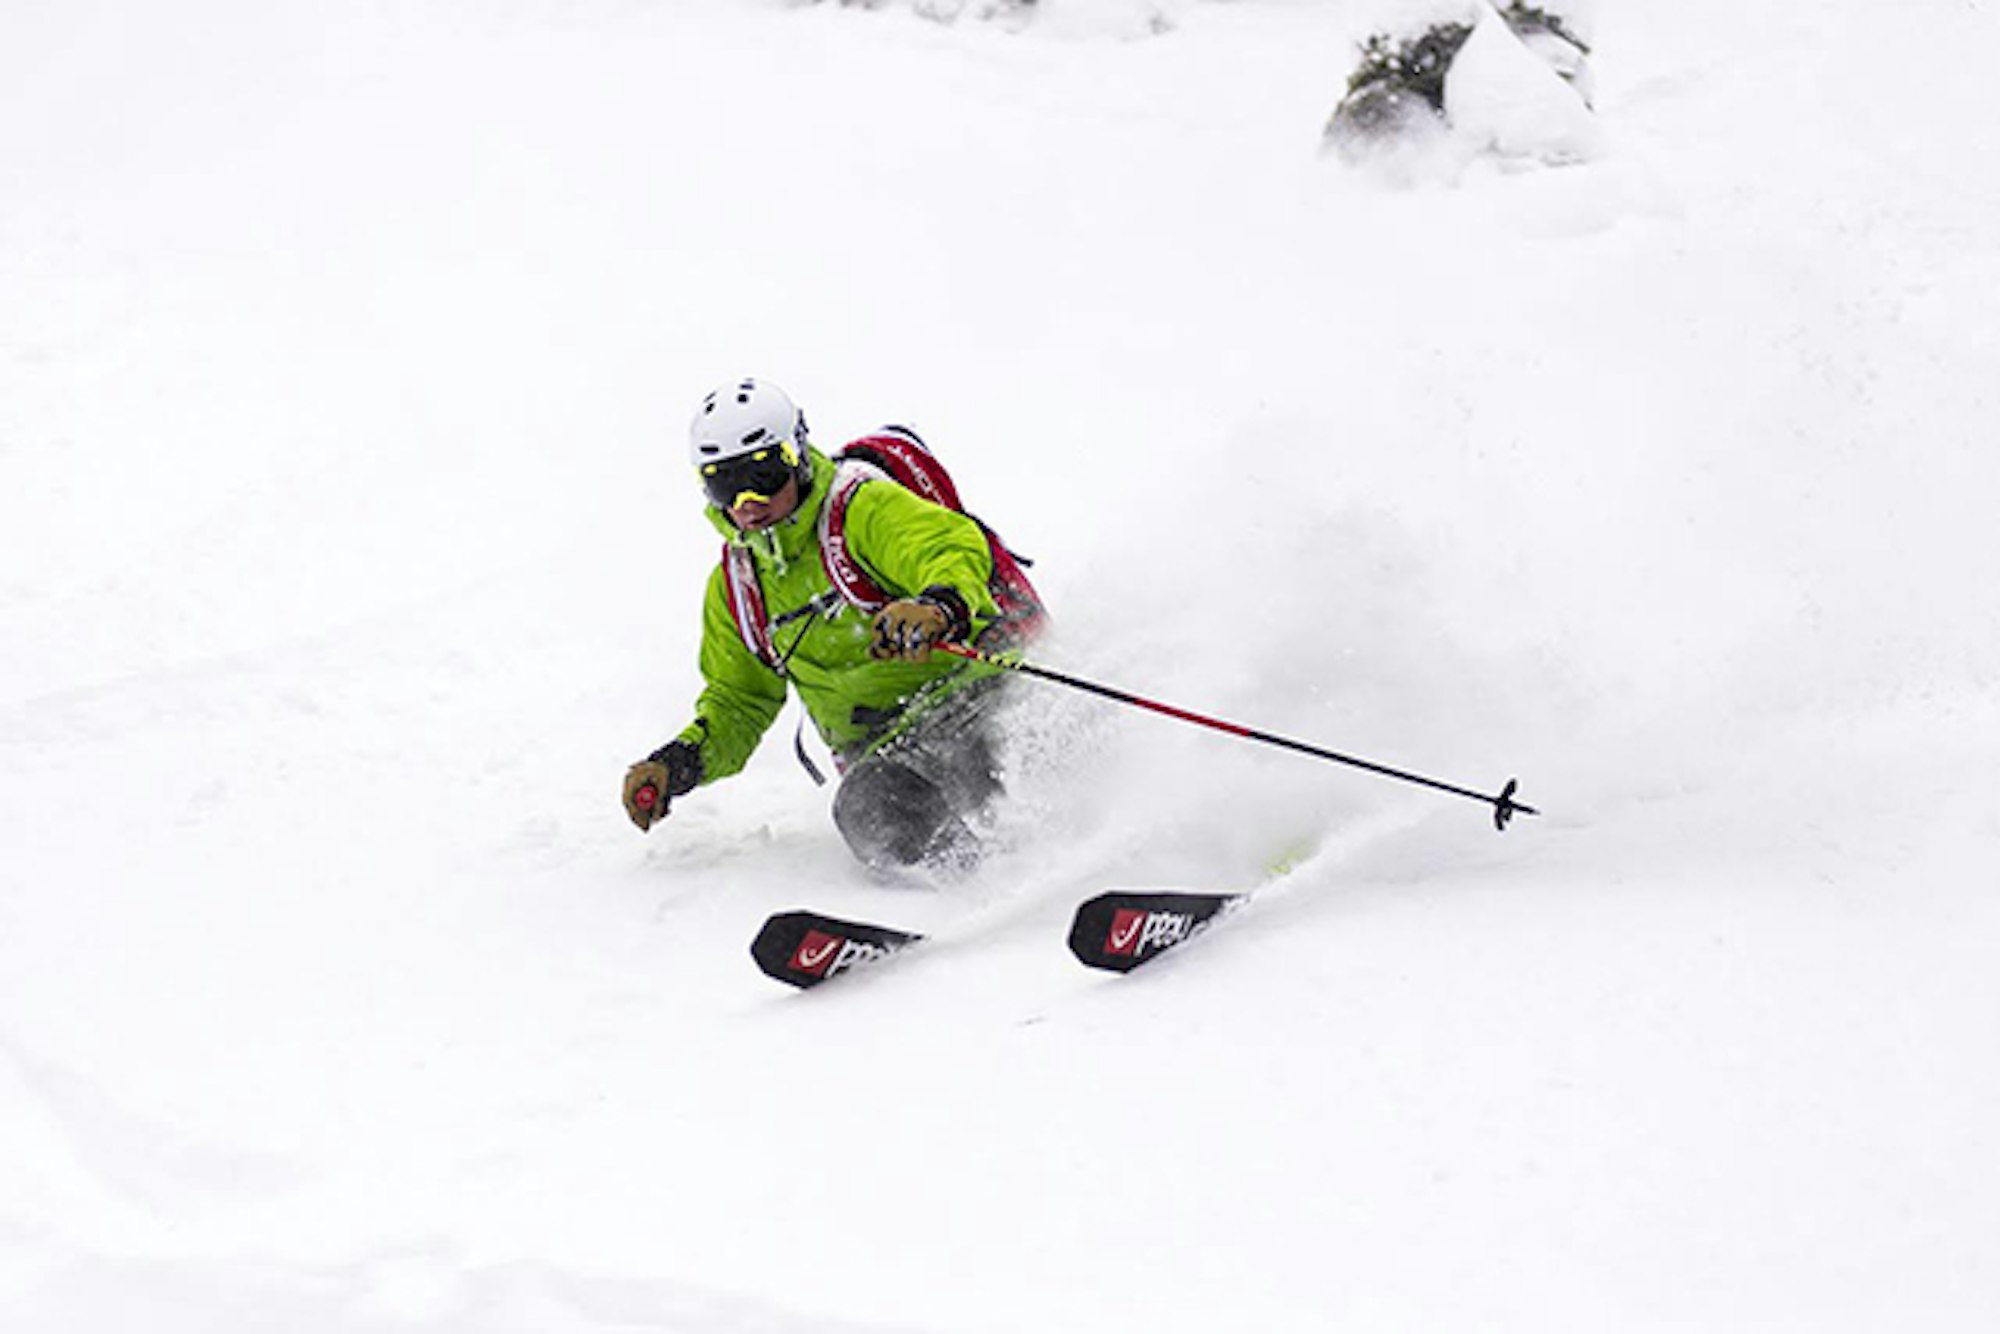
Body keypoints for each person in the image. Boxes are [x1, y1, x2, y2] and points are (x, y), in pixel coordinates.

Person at [621, 378, 1044, 873]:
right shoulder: (738, 586)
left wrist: (937, 606)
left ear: (797, 456)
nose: (747, 500)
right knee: (865, 810)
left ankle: (1054, 858)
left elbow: (944, 547)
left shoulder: (858, 510)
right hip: (892, 753)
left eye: (764, 472)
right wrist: (678, 764)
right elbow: (740, 700)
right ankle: (983, 884)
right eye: (724, 483)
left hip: (976, 701)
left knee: (989, 774)